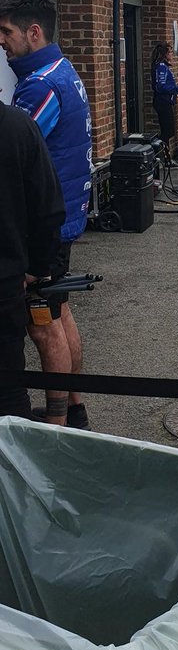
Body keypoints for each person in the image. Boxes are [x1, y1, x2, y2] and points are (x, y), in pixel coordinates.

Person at [0, 0, 92, 427]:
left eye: (6, 32)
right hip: (67, 216)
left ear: (33, 32)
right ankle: (74, 408)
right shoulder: (64, 69)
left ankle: (57, 429)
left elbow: (14, 155)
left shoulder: (38, 88)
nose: (1, 41)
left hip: (44, 227)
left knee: (42, 325)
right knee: (60, 311)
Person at [0, 103, 65, 419]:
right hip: (5, 285)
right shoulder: (19, 128)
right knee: (9, 390)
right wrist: (37, 269)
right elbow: (48, 209)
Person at [151, 41, 178, 167]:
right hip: (162, 102)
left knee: (168, 130)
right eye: (170, 52)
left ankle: (165, 158)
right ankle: (161, 156)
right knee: (168, 131)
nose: (172, 55)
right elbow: (161, 87)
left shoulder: (164, 66)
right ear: (164, 54)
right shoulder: (161, 67)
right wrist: (177, 89)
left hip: (166, 101)